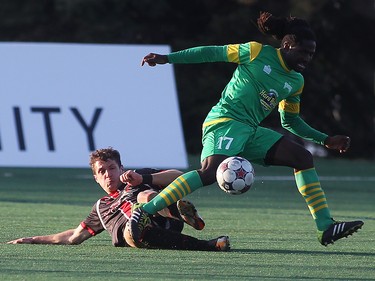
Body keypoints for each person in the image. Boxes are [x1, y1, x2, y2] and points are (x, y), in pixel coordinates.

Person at [130, 11, 364, 247]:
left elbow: (290, 121)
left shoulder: (295, 82)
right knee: (210, 172)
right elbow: (212, 52)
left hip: (251, 130)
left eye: (312, 54)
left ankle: (325, 226)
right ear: (287, 44)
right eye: (304, 52)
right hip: (225, 121)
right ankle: (146, 210)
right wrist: (168, 58)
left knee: (302, 157)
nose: (307, 59)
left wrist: (325, 140)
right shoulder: (256, 52)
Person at [7, 147, 230, 251]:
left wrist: (143, 177)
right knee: (132, 232)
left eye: (112, 168)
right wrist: (33, 239)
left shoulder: (134, 177)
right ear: (96, 178)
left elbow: (180, 178)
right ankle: (210, 244)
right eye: (102, 171)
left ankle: (177, 212)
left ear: (121, 167)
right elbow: (73, 237)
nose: (108, 174)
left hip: (160, 217)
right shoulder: (101, 207)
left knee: (141, 195)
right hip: (141, 235)